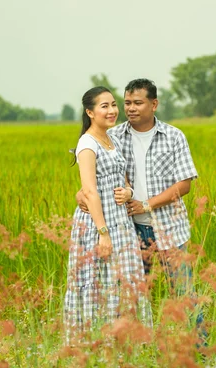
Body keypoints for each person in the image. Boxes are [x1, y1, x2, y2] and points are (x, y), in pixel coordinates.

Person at [77, 78, 206, 343]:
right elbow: (93, 177)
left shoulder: (173, 136)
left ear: (154, 104)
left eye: (138, 103)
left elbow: (184, 185)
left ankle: (200, 352)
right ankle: (138, 351)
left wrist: (147, 204)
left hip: (169, 228)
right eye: (126, 103)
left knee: (184, 294)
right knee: (132, 295)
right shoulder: (112, 135)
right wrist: (82, 195)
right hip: (129, 231)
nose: (130, 108)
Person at [64, 86, 152, 345]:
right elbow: (89, 191)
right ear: (90, 112)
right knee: (99, 282)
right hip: (98, 224)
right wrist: (103, 234)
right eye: (105, 106)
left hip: (121, 221)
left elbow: (122, 179)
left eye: (114, 104)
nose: (113, 110)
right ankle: (95, 344)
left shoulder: (110, 139)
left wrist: (128, 191)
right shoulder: (87, 143)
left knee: (125, 281)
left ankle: (128, 342)